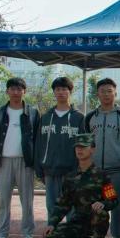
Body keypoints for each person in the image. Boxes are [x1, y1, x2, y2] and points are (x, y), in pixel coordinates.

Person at [40, 134, 115, 238]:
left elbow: (113, 200)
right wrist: (52, 223)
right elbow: (63, 204)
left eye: (84, 147)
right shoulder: (70, 177)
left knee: (100, 214)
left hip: (96, 219)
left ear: (92, 149)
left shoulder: (102, 175)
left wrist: (103, 203)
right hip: (78, 221)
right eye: (77, 147)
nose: (80, 150)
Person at [0, 77, 40, 238]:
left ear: (24, 91)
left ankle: (28, 235)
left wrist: (36, 161)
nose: (16, 92)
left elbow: (37, 139)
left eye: (19, 89)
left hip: (25, 162)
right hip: (4, 161)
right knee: (3, 200)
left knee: (27, 201)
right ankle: (2, 236)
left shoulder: (33, 113)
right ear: (7, 91)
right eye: (12, 89)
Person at [83, 77, 120, 238]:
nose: (106, 94)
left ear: (115, 93)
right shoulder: (90, 117)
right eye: (102, 91)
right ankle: (96, 237)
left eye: (109, 91)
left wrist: (118, 155)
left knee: (117, 203)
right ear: (97, 94)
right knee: (94, 204)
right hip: (96, 170)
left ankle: (117, 236)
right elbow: (87, 141)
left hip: (117, 169)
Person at [35, 76, 84, 223]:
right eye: (57, 89)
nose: (61, 92)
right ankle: (52, 233)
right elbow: (39, 143)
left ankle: (71, 234)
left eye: (64, 89)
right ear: (54, 92)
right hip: (50, 170)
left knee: (72, 208)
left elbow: (84, 145)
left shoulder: (79, 117)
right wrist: (39, 168)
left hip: (71, 171)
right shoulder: (45, 117)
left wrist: (80, 168)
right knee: (52, 208)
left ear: (70, 92)